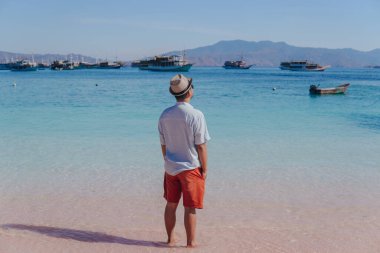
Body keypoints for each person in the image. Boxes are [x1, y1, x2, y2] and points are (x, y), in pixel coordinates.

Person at [158, 74, 210, 247]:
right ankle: (191, 243)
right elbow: (201, 145)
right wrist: (205, 168)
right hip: (190, 167)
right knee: (190, 208)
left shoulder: (165, 114)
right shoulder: (196, 115)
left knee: (171, 205)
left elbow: (163, 144)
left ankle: (170, 239)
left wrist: (167, 161)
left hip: (171, 167)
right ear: (189, 92)